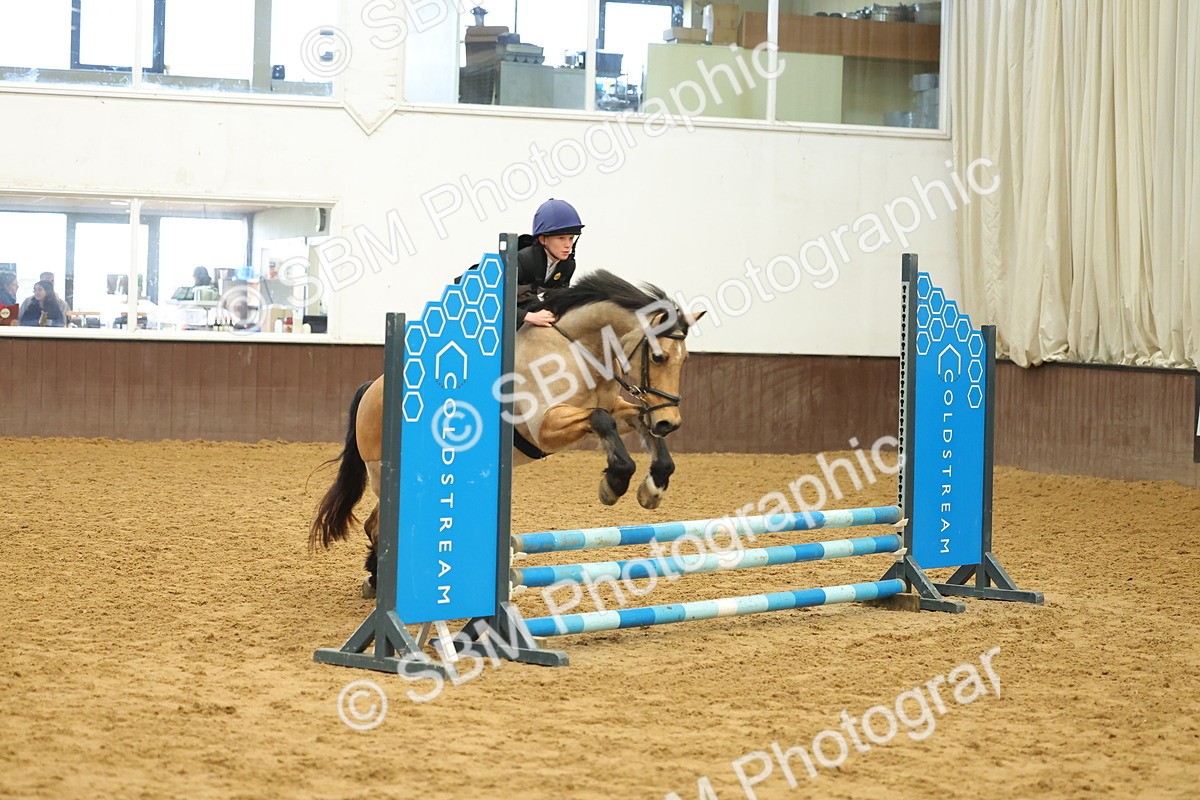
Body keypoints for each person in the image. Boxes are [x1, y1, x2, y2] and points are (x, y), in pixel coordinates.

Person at [516, 198, 584, 329]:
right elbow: (492, 302)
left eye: (571, 238)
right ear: (542, 239)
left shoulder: (567, 266)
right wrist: (529, 316)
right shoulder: (523, 261)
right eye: (561, 238)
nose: (567, 245)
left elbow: (557, 301)